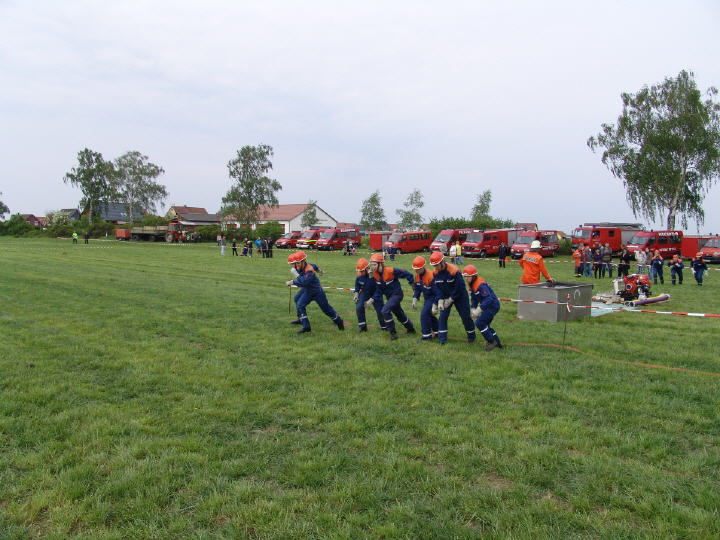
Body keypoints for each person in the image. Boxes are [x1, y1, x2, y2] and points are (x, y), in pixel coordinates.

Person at [286, 250, 344, 334]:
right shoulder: (300, 267)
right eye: (293, 264)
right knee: (299, 303)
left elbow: (304, 282)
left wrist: (293, 281)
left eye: (294, 264)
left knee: (326, 309)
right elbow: (315, 266)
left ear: (302, 262)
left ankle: (339, 321)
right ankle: (306, 326)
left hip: (316, 292)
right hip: (308, 290)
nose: (293, 266)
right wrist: (319, 271)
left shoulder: (309, 270)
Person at [430, 251, 476, 344]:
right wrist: (439, 300)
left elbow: (460, 287)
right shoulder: (435, 273)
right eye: (434, 266)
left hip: (460, 296)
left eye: (436, 265)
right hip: (445, 296)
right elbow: (437, 288)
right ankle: (442, 339)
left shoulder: (454, 271)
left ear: (442, 262)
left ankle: (471, 336)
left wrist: (451, 299)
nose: (435, 267)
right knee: (443, 316)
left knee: (465, 316)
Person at [369, 252, 415, 340]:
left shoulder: (390, 271)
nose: (372, 267)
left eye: (374, 264)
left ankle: (393, 333)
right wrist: (372, 299)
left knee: (385, 311)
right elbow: (379, 290)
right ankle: (411, 328)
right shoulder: (375, 275)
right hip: (390, 298)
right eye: (372, 265)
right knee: (398, 313)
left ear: (380, 264)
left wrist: (412, 282)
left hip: (397, 295)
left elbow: (406, 273)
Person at [462, 265, 502, 351]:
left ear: (473, 276)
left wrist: (479, 309)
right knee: (485, 324)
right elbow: (474, 297)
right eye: (464, 277)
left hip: (492, 306)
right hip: (487, 305)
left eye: (468, 276)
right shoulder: (471, 284)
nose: (466, 279)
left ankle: (491, 341)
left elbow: (489, 299)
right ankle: (498, 343)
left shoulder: (480, 285)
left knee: (480, 323)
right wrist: (473, 308)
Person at [353, 257, 385, 332]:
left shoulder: (375, 273)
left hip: (376, 293)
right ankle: (363, 327)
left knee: (380, 310)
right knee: (359, 307)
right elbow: (357, 284)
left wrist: (371, 278)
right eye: (359, 271)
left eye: (362, 271)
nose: (360, 273)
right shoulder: (359, 274)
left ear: (367, 268)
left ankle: (384, 326)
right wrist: (356, 292)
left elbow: (375, 287)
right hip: (365, 292)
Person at [411, 256, 439, 341]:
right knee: (429, 314)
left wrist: (435, 304)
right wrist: (415, 298)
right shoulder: (417, 275)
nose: (416, 271)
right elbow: (418, 288)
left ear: (423, 267)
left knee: (424, 314)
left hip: (433, 297)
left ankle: (426, 336)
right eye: (415, 269)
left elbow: (437, 292)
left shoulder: (431, 276)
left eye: (418, 269)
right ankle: (438, 331)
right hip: (427, 298)